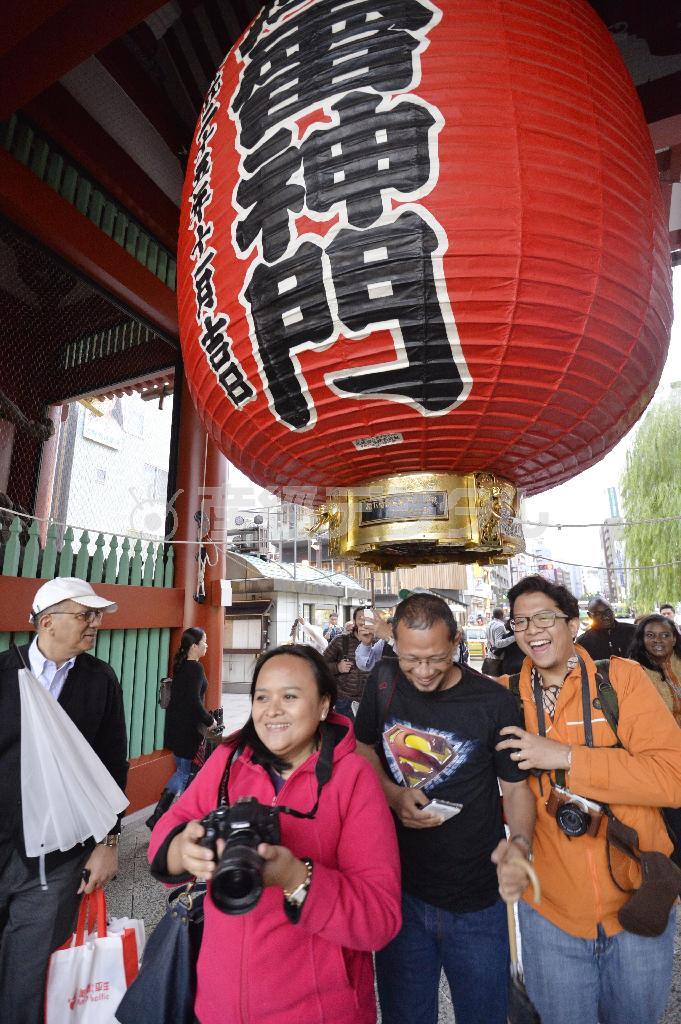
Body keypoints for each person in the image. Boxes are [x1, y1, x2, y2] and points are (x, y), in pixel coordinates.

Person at [147, 644, 401, 1024]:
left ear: (323, 706)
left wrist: (296, 878)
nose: (272, 710)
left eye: (290, 696)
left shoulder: (353, 779)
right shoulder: (229, 761)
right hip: (218, 1006)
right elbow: (169, 830)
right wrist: (182, 850)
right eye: (261, 697)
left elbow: (380, 918)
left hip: (318, 1010)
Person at [495, 575, 681, 1024]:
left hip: (638, 901)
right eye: (520, 621)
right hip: (550, 912)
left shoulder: (621, 680)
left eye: (545, 617)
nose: (532, 630)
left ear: (573, 624)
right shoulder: (503, 696)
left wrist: (564, 757)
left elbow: (673, 778)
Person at [354, 593, 535, 1024]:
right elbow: (362, 749)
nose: (422, 671)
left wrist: (521, 844)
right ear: (394, 644)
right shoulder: (382, 682)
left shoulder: (493, 703)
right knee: (405, 1016)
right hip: (399, 892)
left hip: (476, 899)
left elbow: (516, 790)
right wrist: (393, 795)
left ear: (455, 643)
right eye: (411, 659)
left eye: (436, 658)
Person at [0, 576, 128, 1024]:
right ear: (47, 621)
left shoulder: (99, 679)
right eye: (85, 615)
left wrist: (108, 843)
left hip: (58, 854)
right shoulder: (3, 672)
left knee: (28, 977)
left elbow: (113, 765)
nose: (95, 624)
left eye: (97, 617)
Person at [146, 627, 217, 829]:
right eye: (204, 642)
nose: (206, 645)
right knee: (185, 773)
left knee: (182, 771)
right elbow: (194, 701)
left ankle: (161, 816)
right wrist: (209, 720)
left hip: (176, 728)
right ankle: (176, 818)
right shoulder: (195, 668)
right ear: (194, 646)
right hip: (187, 731)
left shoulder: (182, 666)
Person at [627, 614, 681, 862]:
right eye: (650, 635)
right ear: (641, 639)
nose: (658, 641)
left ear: (674, 638)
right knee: (673, 816)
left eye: (664, 635)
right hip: (659, 758)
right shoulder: (632, 672)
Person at [323, 606, 374, 719]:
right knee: (346, 734)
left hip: (371, 700)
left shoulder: (379, 642)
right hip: (344, 701)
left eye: (368, 617)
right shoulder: (341, 640)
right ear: (355, 621)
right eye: (361, 617)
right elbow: (321, 665)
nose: (364, 620)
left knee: (366, 736)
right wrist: (337, 667)